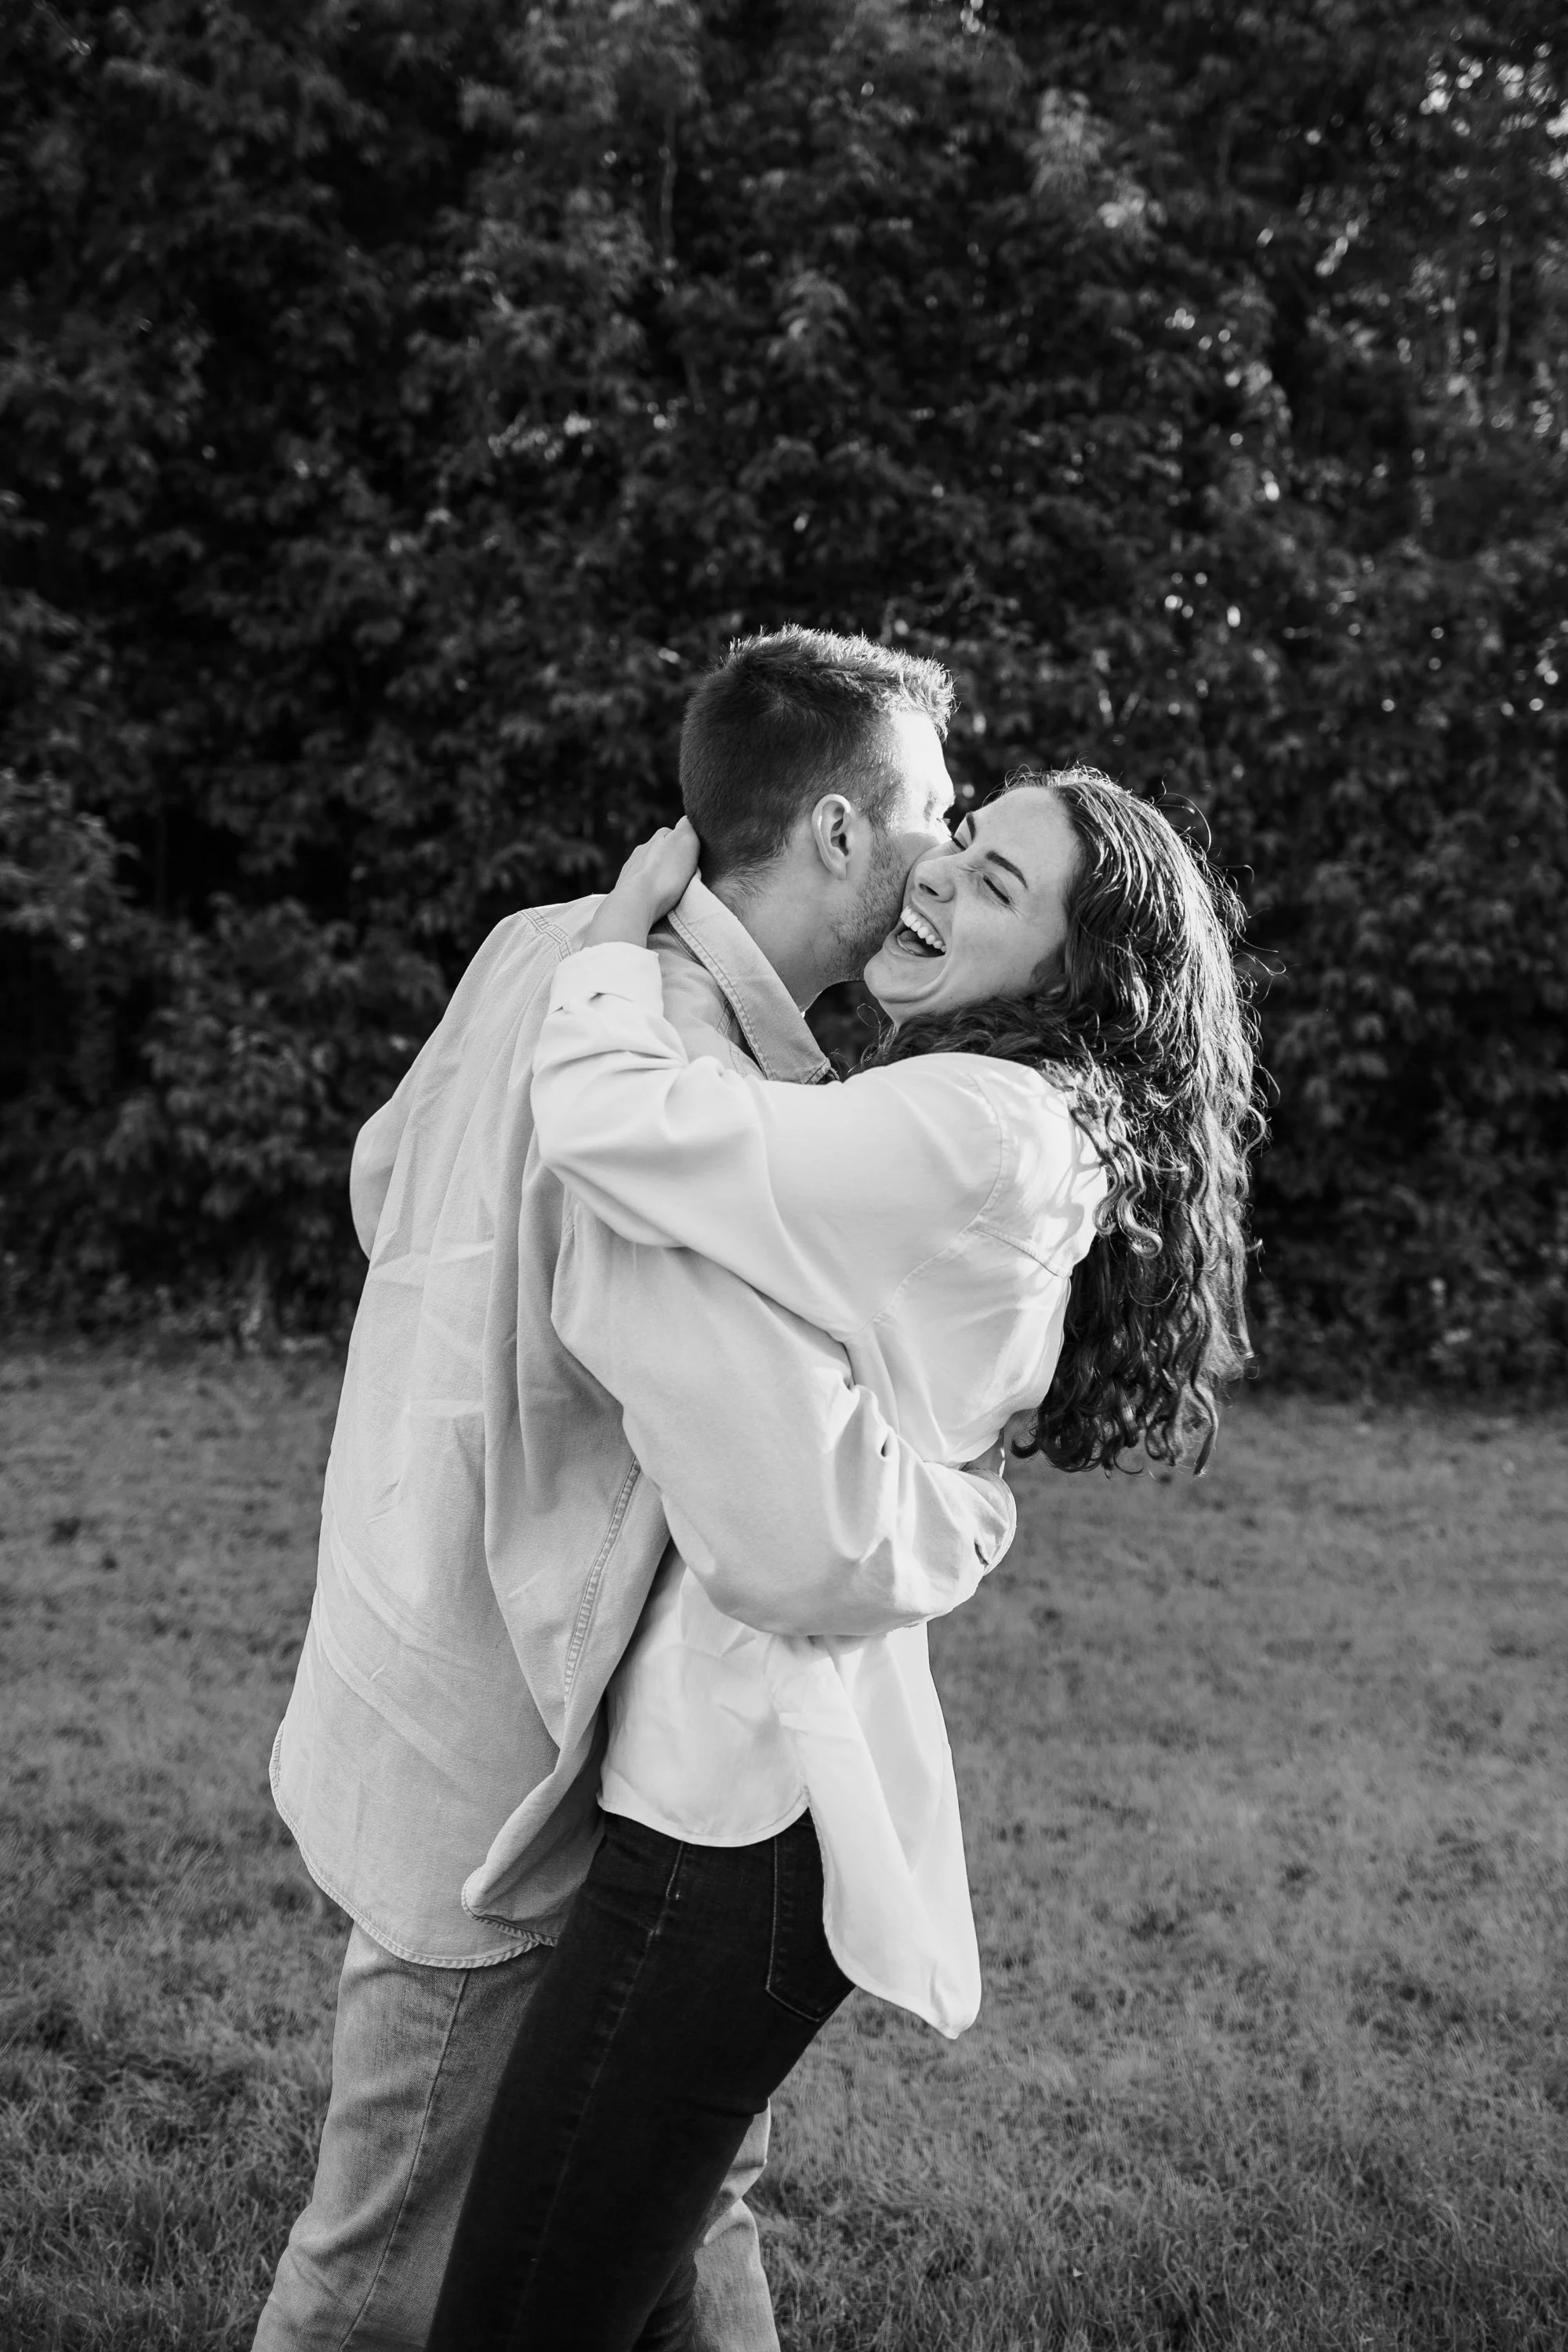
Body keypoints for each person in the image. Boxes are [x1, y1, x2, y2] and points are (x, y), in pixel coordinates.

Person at [253, 629, 1022, 2352]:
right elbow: (787, 1507)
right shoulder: (713, 1107)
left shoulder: (545, 947)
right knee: (381, 2268)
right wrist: (959, 1506)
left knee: (666, 2202)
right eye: (939, 809)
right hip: (517, 1757)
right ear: (837, 830)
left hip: (423, 1654)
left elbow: (390, 1184)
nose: (953, 850)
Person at [426, 769, 1262, 2348]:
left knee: (523, 2306)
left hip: (731, 1822)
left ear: (1082, 975)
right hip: (749, 1804)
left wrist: (612, 935)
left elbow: (616, 1126)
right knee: (647, 2272)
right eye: (964, 839)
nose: (939, 875)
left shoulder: (973, 1121)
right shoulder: (1020, 1120)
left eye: (1001, 886)